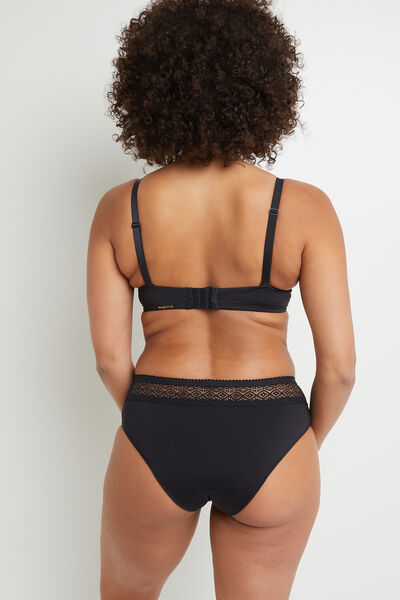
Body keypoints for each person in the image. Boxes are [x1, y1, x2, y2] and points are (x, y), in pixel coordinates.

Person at [86, 1, 356, 598]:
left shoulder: (120, 207)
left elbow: (108, 360)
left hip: (158, 423)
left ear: (151, 90)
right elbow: (339, 369)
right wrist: (299, 446)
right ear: (264, 88)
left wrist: (155, 421)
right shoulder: (305, 207)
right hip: (271, 428)